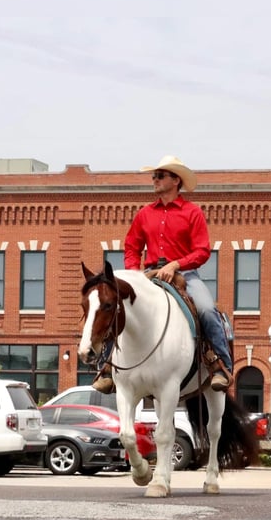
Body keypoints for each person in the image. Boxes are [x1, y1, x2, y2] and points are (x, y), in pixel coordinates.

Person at [92, 155, 233, 394]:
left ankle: (220, 365)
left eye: (160, 175)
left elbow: (202, 251)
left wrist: (176, 264)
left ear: (176, 180)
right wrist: (135, 273)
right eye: (154, 175)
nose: (154, 180)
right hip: (149, 274)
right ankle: (107, 368)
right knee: (117, 307)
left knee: (207, 309)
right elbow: (132, 247)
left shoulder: (192, 212)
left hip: (185, 275)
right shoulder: (145, 214)